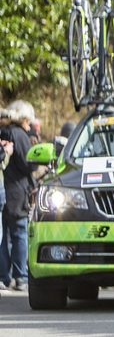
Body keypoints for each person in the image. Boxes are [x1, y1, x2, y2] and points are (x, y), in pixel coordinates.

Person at [0, 100, 37, 292]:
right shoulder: (20, 135)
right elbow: (29, 164)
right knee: (19, 234)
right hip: (17, 192)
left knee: (3, 236)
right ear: (23, 118)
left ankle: (3, 276)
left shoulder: (3, 132)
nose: (29, 124)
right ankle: (20, 276)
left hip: (3, 188)